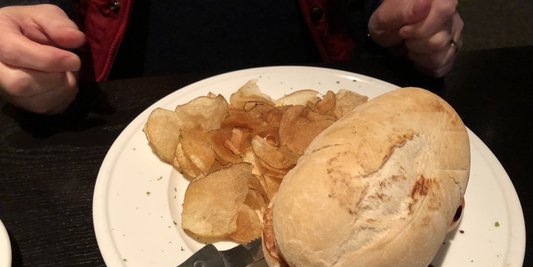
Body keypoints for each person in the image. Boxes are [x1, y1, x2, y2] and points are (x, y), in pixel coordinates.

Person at [0, 0, 463, 115]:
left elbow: (366, 14)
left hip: (328, 101)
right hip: (114, 119)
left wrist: (401, 29)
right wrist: (26, 45)